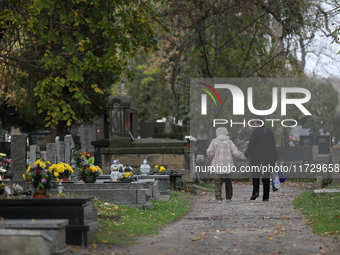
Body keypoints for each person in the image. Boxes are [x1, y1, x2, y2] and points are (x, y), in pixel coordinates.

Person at [207, 127, 246, 204]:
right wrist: (244, 157)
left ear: (217, 133)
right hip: (227, 165)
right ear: (226, 133)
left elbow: (209, 152)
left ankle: (219, 198)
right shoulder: (229, 142)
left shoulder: (214, 141)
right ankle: (228, 197)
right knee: (228, 182)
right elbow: (235, 152)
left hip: (217, 165)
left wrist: (211, 156)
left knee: (217, 183)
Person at [244, 117, 277, 202]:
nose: (254, 124)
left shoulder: (256, 131)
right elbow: (273, 145)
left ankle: (255, 192)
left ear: (257, 123)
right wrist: (275, 158)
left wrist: (246, 155)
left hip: (257, 158)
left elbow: (251, 144)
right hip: (268, 158)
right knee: (266, 176)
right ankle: (266, 196)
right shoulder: (269, 131)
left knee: (255, 175)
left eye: (254, 122)